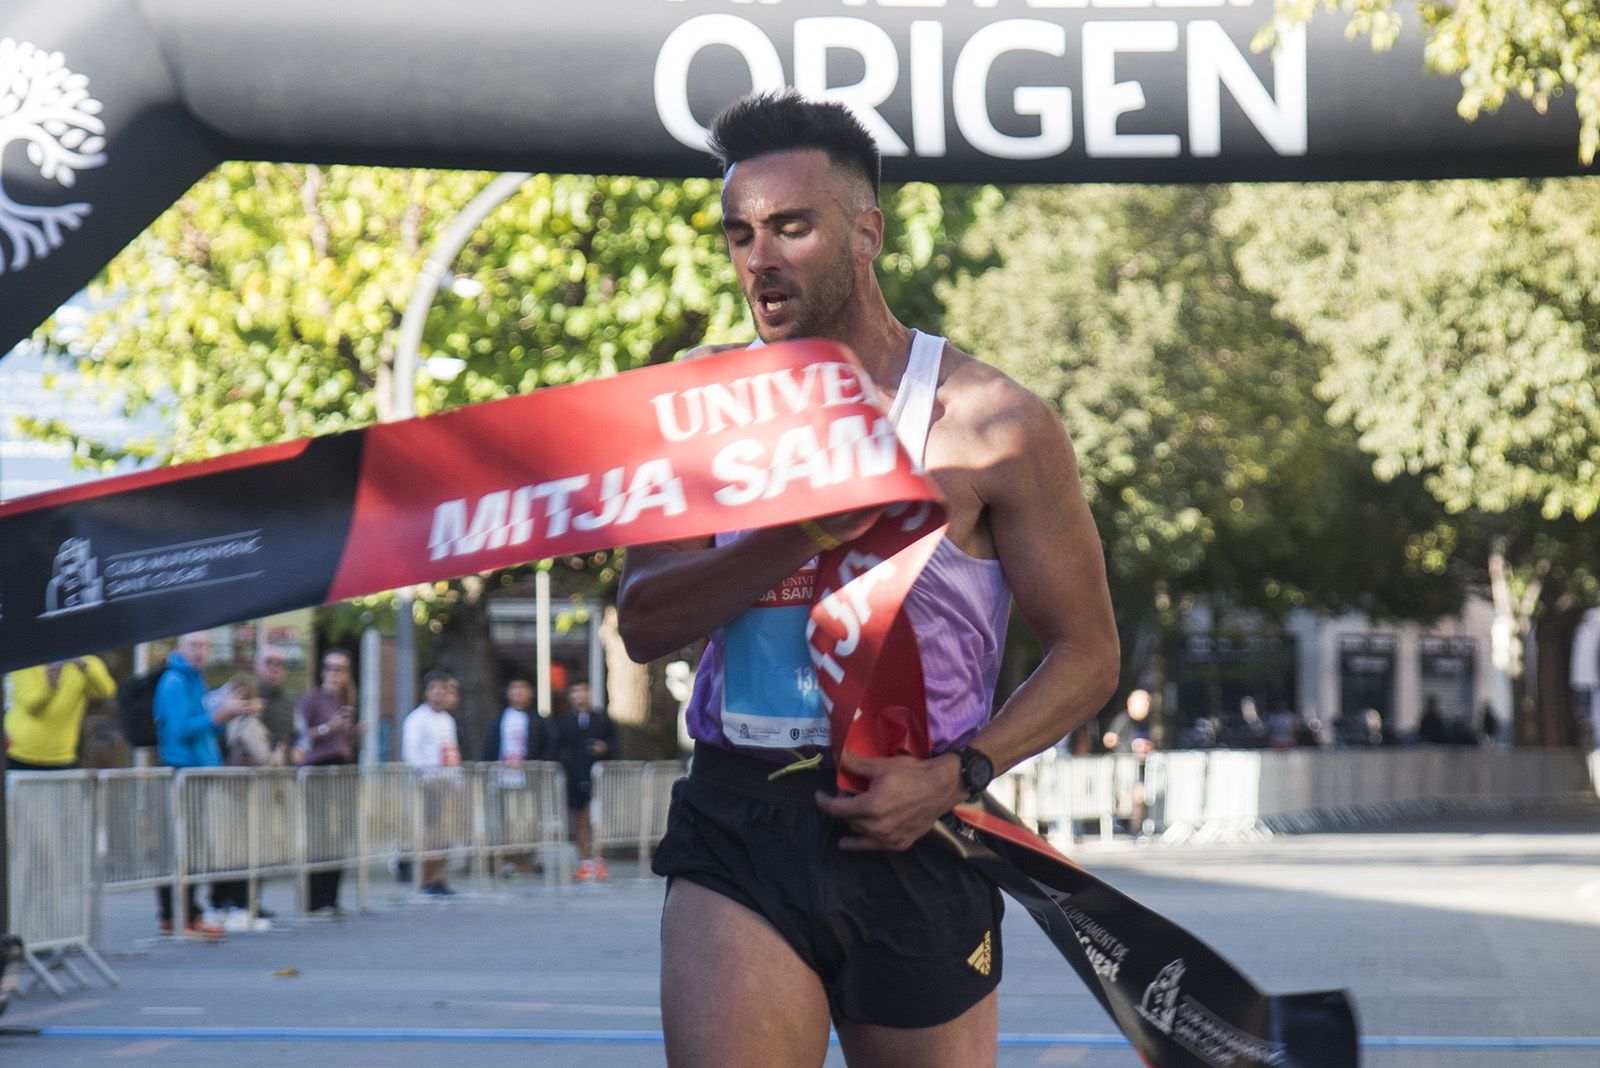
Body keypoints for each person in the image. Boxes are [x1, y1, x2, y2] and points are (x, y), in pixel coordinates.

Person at [618, 92, 1118, 1068]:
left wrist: (960, 775)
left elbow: (1090, 653)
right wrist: (798, 530)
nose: (758, 257)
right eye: (739, 234)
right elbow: (644, 624)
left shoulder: (991, 423)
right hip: (740, 813)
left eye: (790, 227)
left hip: (914, 820)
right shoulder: (695, 408)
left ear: (867, 232)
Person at [153, 631, 254, 940]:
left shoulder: (195, 679)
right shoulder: (174, 681)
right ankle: (178, 915)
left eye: (206, 646)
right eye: (194, 645)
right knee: (182, 847)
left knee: (194, 847)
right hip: (181, 769)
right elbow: (180, 729)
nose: (201, 651)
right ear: (180, 648)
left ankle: (186, 914)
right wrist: (220, 716)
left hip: (198, 770)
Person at [296, 649, 364, 915]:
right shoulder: (312, 699)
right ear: (323, 671)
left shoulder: (344, 701)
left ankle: (331, 898)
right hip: (318, 769)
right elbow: (301, 738)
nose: (335, 674)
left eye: (341, 669)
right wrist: (328, 728)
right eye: (331, 668)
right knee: (319, 835)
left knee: (339, 836)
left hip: (341, 768)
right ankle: (315, 900)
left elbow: (342, 742)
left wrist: (354, 733)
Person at [401, 670, 462, 897]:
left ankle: (439, 877)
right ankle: (425, 878)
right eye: (434, 688)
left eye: (442, 689)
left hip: (447, 783)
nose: (439, 693)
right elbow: (411, 752)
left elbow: (451, 751)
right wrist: (428, 776)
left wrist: (456, 778)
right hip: (426, 784)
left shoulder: (447, 720)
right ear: (426, 692)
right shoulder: (417, 719)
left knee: (446, 833)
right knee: (430, 833)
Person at [4, 655, 117, 771]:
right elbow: (32, 707)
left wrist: (84, 666)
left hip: (62, 754)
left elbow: (106, 692)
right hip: (20, 752)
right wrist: (50, 688)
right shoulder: (24, 662)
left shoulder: (88, 662)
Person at [554, 680, 614, 882]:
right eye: (575, 691)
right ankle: (584, 861)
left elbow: (615, 745)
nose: (579, 695)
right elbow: (557, 748)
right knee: (579, 819)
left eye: (583, 691)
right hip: (574, 776)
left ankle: (596, 858)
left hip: (597, 776)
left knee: (593, 818)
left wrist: (604, 748)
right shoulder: (563, 721)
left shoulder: (602, 719)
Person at [482, 676, 553, 764]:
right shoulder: (497, 721)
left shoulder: (540, 722)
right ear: (507, 693)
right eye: (515, 688)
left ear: (531, 693)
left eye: (523, 688)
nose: (519, 692)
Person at [252, 645, 296, 765]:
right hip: (251, 774)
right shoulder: (244, 696)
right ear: (256, 666)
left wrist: (298, 749)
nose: (274, 668)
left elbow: (296, 736)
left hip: (283, 773)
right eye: (269, 662)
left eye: (279, 664)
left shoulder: (290, 701)